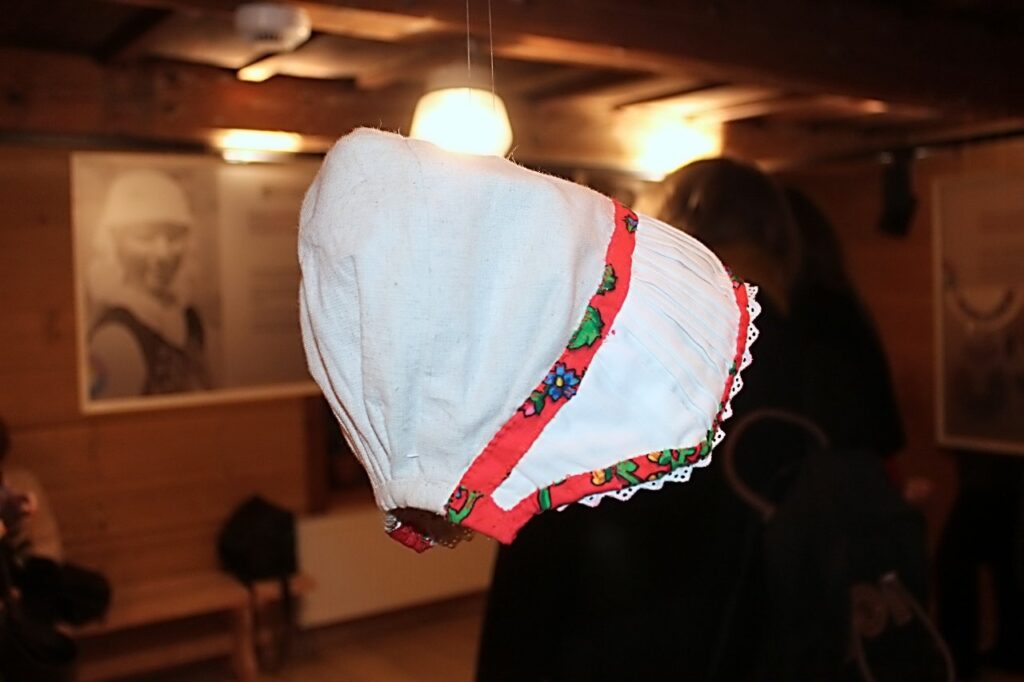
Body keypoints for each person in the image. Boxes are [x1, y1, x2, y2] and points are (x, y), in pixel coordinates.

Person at [87, 169, 210, 399]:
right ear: (115, 243)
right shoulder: (115, 337)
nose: (163, 254)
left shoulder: (189, 319)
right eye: (144, 237)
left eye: (174, 237)